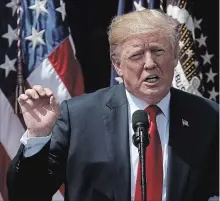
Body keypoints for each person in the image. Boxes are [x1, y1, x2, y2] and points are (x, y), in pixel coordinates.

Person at [7, 9, 219, 201]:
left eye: (158, 51)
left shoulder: (208, 117)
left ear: (174, 57)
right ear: (117, 65)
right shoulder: (79, 117)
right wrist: (38, 137)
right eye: (137, 55)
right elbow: (27, 194)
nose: (150, 63)